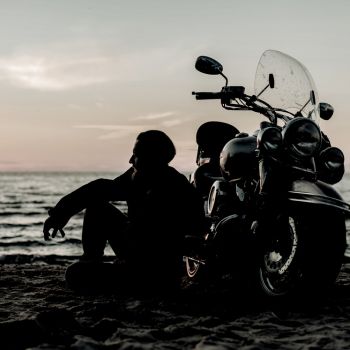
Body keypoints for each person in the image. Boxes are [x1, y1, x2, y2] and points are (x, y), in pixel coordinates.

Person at [43, 130, 205, 291]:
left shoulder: (176, 188)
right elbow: (99, 188)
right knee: (97, 208)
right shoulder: (138, 177)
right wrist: (60, 215)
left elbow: (189, 238)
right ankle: (92, 261)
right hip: (136, 253)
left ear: (152, 158)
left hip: (155, 271)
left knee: (76, 275)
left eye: (136, 155)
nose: (130, 160)